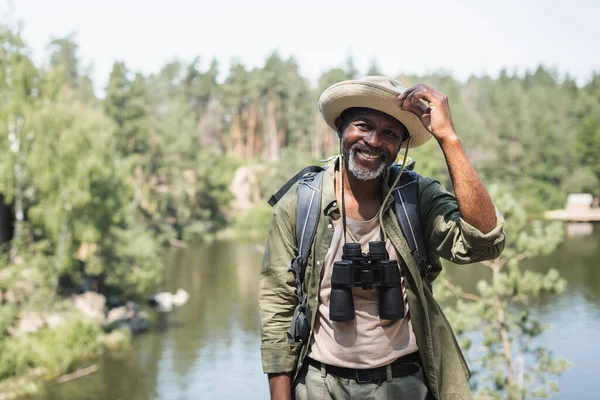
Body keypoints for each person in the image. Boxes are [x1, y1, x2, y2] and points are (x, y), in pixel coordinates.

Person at [258, 76, 506, 400]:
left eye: (389, 133)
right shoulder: (300, 204)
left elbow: (484, 243)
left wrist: (448, 138)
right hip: (320, 385)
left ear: (401, 145)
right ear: (340, 129)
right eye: (362, 126)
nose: (374, 141)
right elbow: (277, 305)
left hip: (402, 384)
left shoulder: (416, 198)